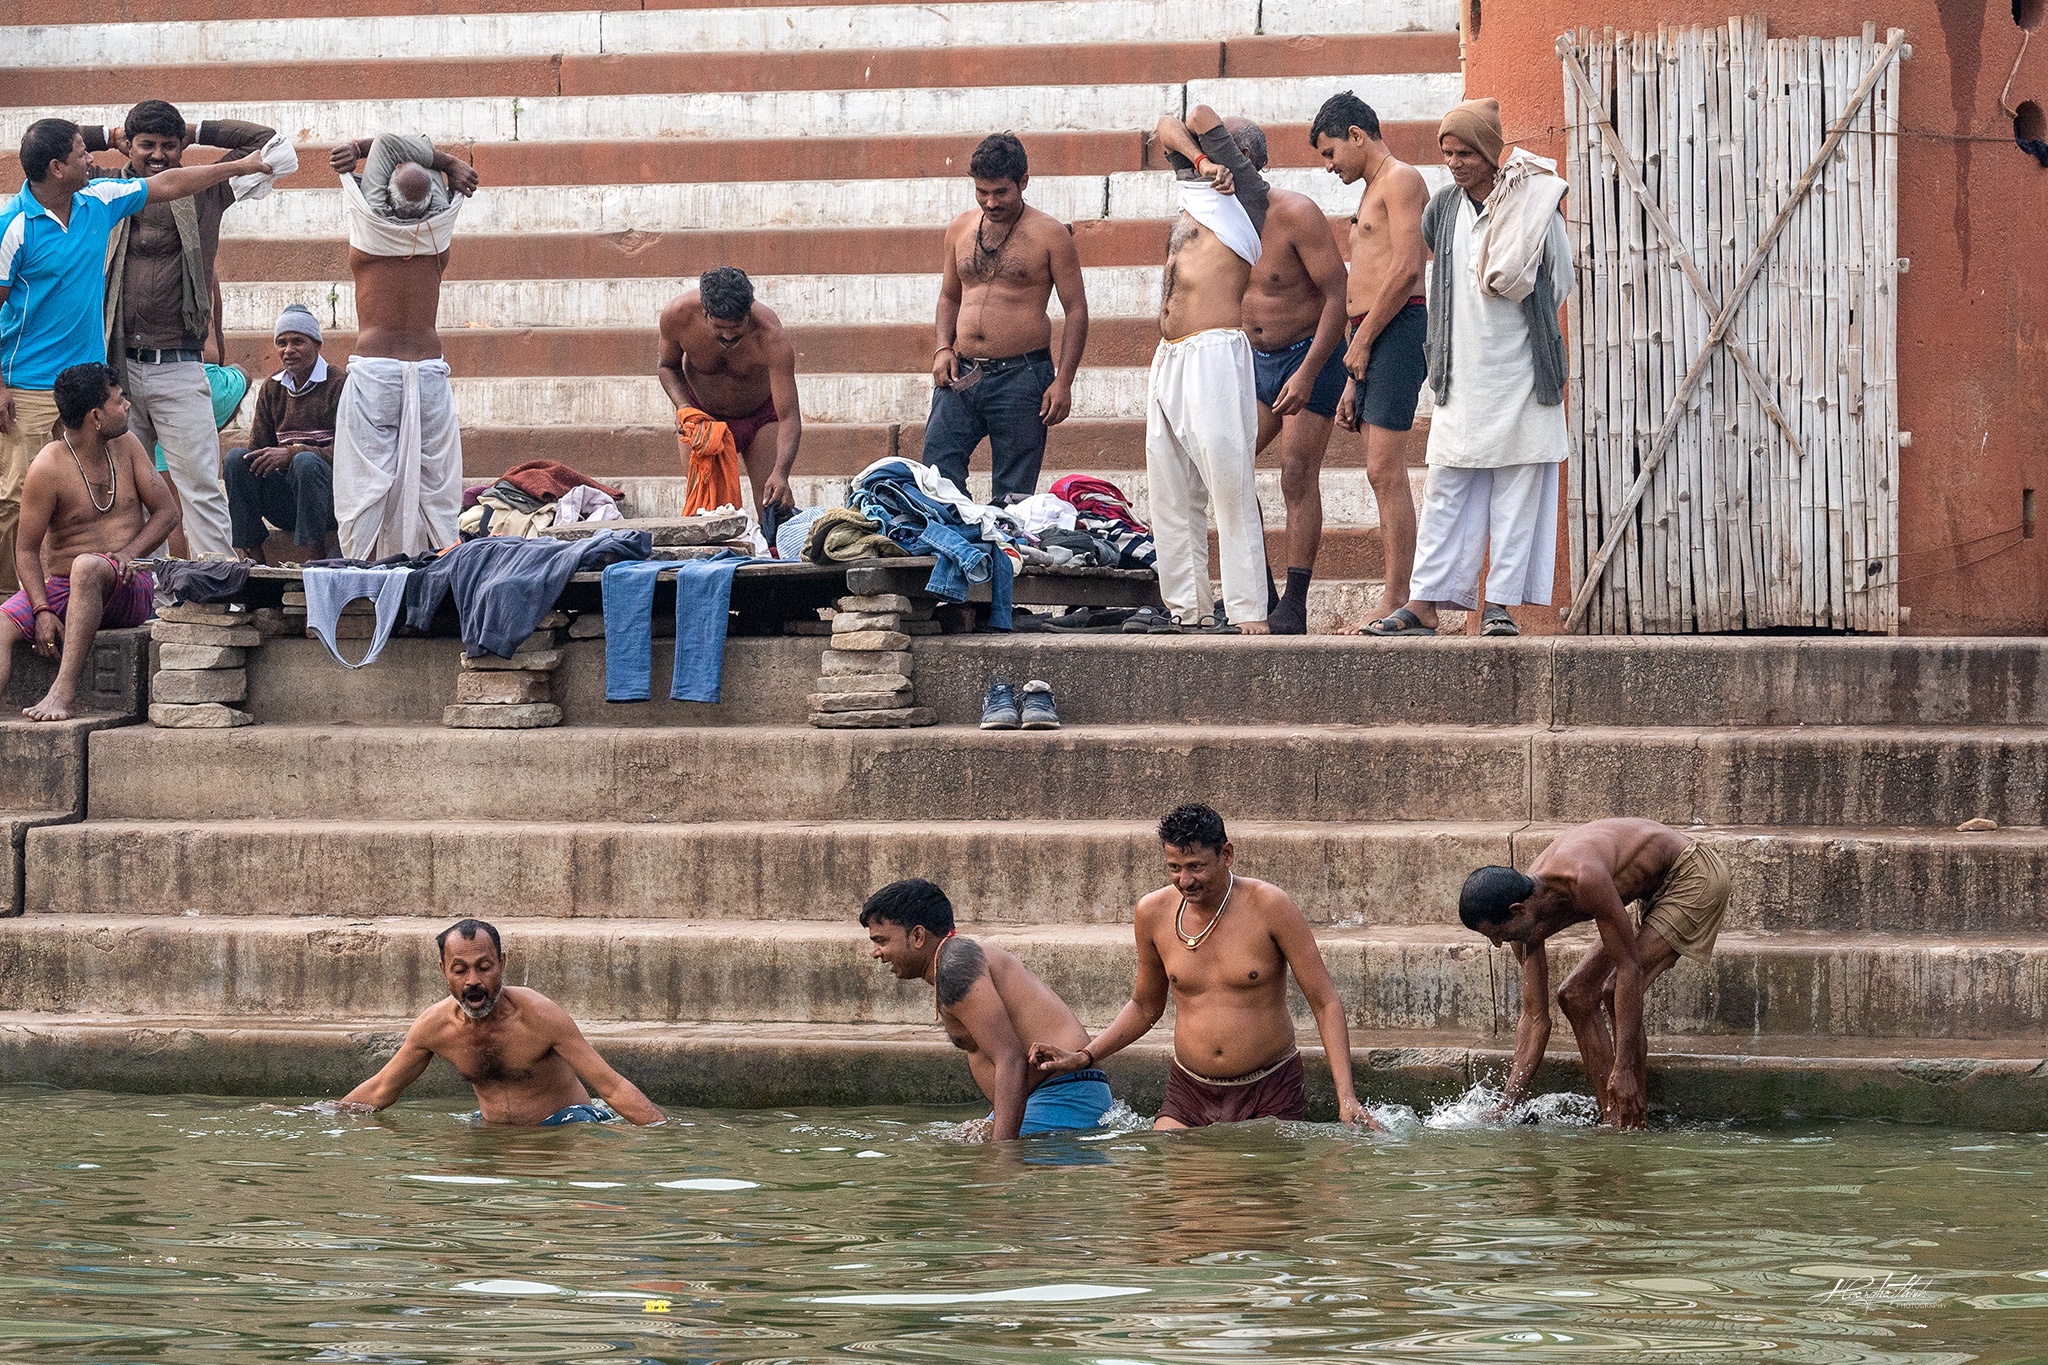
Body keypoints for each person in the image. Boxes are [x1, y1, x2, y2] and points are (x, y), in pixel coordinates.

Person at [1, 118, 266, 593]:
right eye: (84, 153)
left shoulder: (96, 201)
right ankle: (18, 607)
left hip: (88, 387)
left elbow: (167, 183)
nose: (94, 158)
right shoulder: (13, 228)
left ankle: (99, 597)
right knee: (21, 504)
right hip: (28, 388)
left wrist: (240, 166)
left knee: (97, 497)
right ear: (58, 167)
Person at [1031, 803, 1377, 1130]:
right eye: (1174, 868)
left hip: (1268, 1086)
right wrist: (1085, 1056)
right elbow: (1144, 1006)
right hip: (1190, 1091)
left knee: (1264, 1190)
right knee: (1174, 1180)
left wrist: (1346, 1098)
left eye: (1196, 866)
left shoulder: (1270, 905)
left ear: (1226, 855)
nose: (1185, 880)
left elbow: (1325, 1001)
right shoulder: (1152, 912)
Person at [1366, 98, 1572, 639]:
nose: (1454, 163)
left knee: (1517, 488)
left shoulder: (1532, 204)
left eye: (1464, 153)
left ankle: (1498, 607)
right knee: (1448, 486)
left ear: (1488, 152)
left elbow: (1560, 280)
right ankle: (1424, 603)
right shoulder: (1442, 209)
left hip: (1524, 374)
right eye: (1447, 152)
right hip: (1460, 374)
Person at [82, 100, 284, 558]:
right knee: (127, 491)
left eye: (168, 146)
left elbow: (268, 142)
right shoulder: (100, 191)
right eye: (146, 145)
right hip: (117, 370)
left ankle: (215, 586)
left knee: (199, 487)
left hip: (178, 363)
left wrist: (196, 128)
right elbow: (41, 143)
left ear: (182, 148)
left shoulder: (205, 188)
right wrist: (106, 133)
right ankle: (143, 597)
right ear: (127, 147)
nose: (157, 155)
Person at [1457, 819, 1732, 1130]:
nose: (1496, 944)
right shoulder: (1523, 924)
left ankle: (1633, 1124)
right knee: (1575, 996)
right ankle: (1614, 1117)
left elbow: (1630, 968)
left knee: (1616, 989)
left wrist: (1623, 1067)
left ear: (1519, 910)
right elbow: (1535, 1018)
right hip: (1650, 887)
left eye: (1497, 933)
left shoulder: (1582, 877)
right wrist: (1507, 1102)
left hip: (1691, 876)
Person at [1143, 106, 1276, 634]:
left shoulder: (1249, 196)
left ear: (1241, 157)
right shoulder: (1197, 184)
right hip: (1170, 353)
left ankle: (1247, 610)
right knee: (1169, 486)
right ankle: (1188, 607)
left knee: (1229, 479)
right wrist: (1199, 160)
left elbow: (1199, 113)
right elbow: (1167, 122)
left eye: (1216, 147)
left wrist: (1215, 163)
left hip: (1215, 353)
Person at [337, 918, 665, 1126]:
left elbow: (611, 1085)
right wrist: (326, 1114)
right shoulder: (434, 1027)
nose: (473, 981)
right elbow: (382, 1088)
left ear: (502, 963)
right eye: (460, 969)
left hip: (568, 1125)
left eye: (484, 966)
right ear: (443, 971)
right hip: (492, 1129)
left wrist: (661, 1132)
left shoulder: (541, 1016)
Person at [862, 878, 1114, 1141]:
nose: (876, 952)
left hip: (1064, 1096)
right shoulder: (955, 959)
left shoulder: (955, 966)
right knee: (945, 1142)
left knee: (973, 1163)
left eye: (881, 941)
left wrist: (1002, 1156)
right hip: (1055, 1094)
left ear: (917, 936)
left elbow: (1010, 1058)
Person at [1221, 118, 1349, 636]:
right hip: (1251, 360)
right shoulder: (1218, 217)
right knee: (1229, 464)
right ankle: (1263, 590)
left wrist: (1310, 371)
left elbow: (1338, 297)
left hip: (1308, 356)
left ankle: (1293, 604)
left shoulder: (1295, 213)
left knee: (1296, 472)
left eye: (1226, 157)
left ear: (1251, 158)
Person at [1309, 92, 1431, 632]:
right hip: (1371, 332)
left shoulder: (1402, 179)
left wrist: (1361, 345)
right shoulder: (1371, 191)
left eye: (1332, 152)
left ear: (1357, 134)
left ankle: (1399, 600)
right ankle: (1400, 598)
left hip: (1398, 326)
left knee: (1385, 468)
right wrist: (1354, 364)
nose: (1330, 166)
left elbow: (1407, 269)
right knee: (1377, 471)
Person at [0, 363, 178, 721]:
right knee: (0, 626)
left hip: (130, 586)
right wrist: (41, 610)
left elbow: (167, 512)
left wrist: (128, 553)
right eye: (119, 400)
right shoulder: (48, 467)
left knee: (87, 565)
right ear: (96, 416)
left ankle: (62, 693)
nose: (127, 406)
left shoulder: (128, 446)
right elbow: (26, 549)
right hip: (64, 592)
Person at [327, 133, 477, 559]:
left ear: (380, 196)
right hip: (428, 372)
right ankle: (440, 575)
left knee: (365, 485)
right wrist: (452, 167)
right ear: (436, 199)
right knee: (436, 488)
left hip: (376, 373)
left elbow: (392, 144)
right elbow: (421, 167)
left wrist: (356, 149)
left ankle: (365, 576)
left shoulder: (368, 226)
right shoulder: (439, 234)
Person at [923, 133, 1089, 506]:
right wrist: (942, 348)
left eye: (1000, 192)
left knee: (1013, 495)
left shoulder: (1050, 234)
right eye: (982, 192)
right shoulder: (961, 228)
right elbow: (950, 296)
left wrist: (1063, 382)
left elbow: (1076, 309)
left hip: (1022, 376)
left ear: (1023, 182)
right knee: (936, 475)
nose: (990, 202)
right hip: (961, 371)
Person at [657, 266, 801, 515]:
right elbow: (667, 367)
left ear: (749, 311)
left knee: (771, 503)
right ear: (704, 312)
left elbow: (789, 416)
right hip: (703, 416)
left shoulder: (771, 337)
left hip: (760, 417)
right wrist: (684, 407)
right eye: (719, 326)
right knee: (706, 510)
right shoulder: (677, 316)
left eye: (737, 327)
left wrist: (781, 472)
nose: (728, 335)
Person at [223, 305, 344, 563]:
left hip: (331, 502)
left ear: (317, 344)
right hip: (288, 502)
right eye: (282, 343)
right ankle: (254, 559)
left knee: (305, 462)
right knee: (236, 460)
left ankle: (314, 559)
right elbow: (257, 452)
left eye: (298, 341)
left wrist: (292, 453)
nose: (288, 350)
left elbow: (349, 453)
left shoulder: (339, 384)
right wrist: (272, 458)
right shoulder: (272, 388)